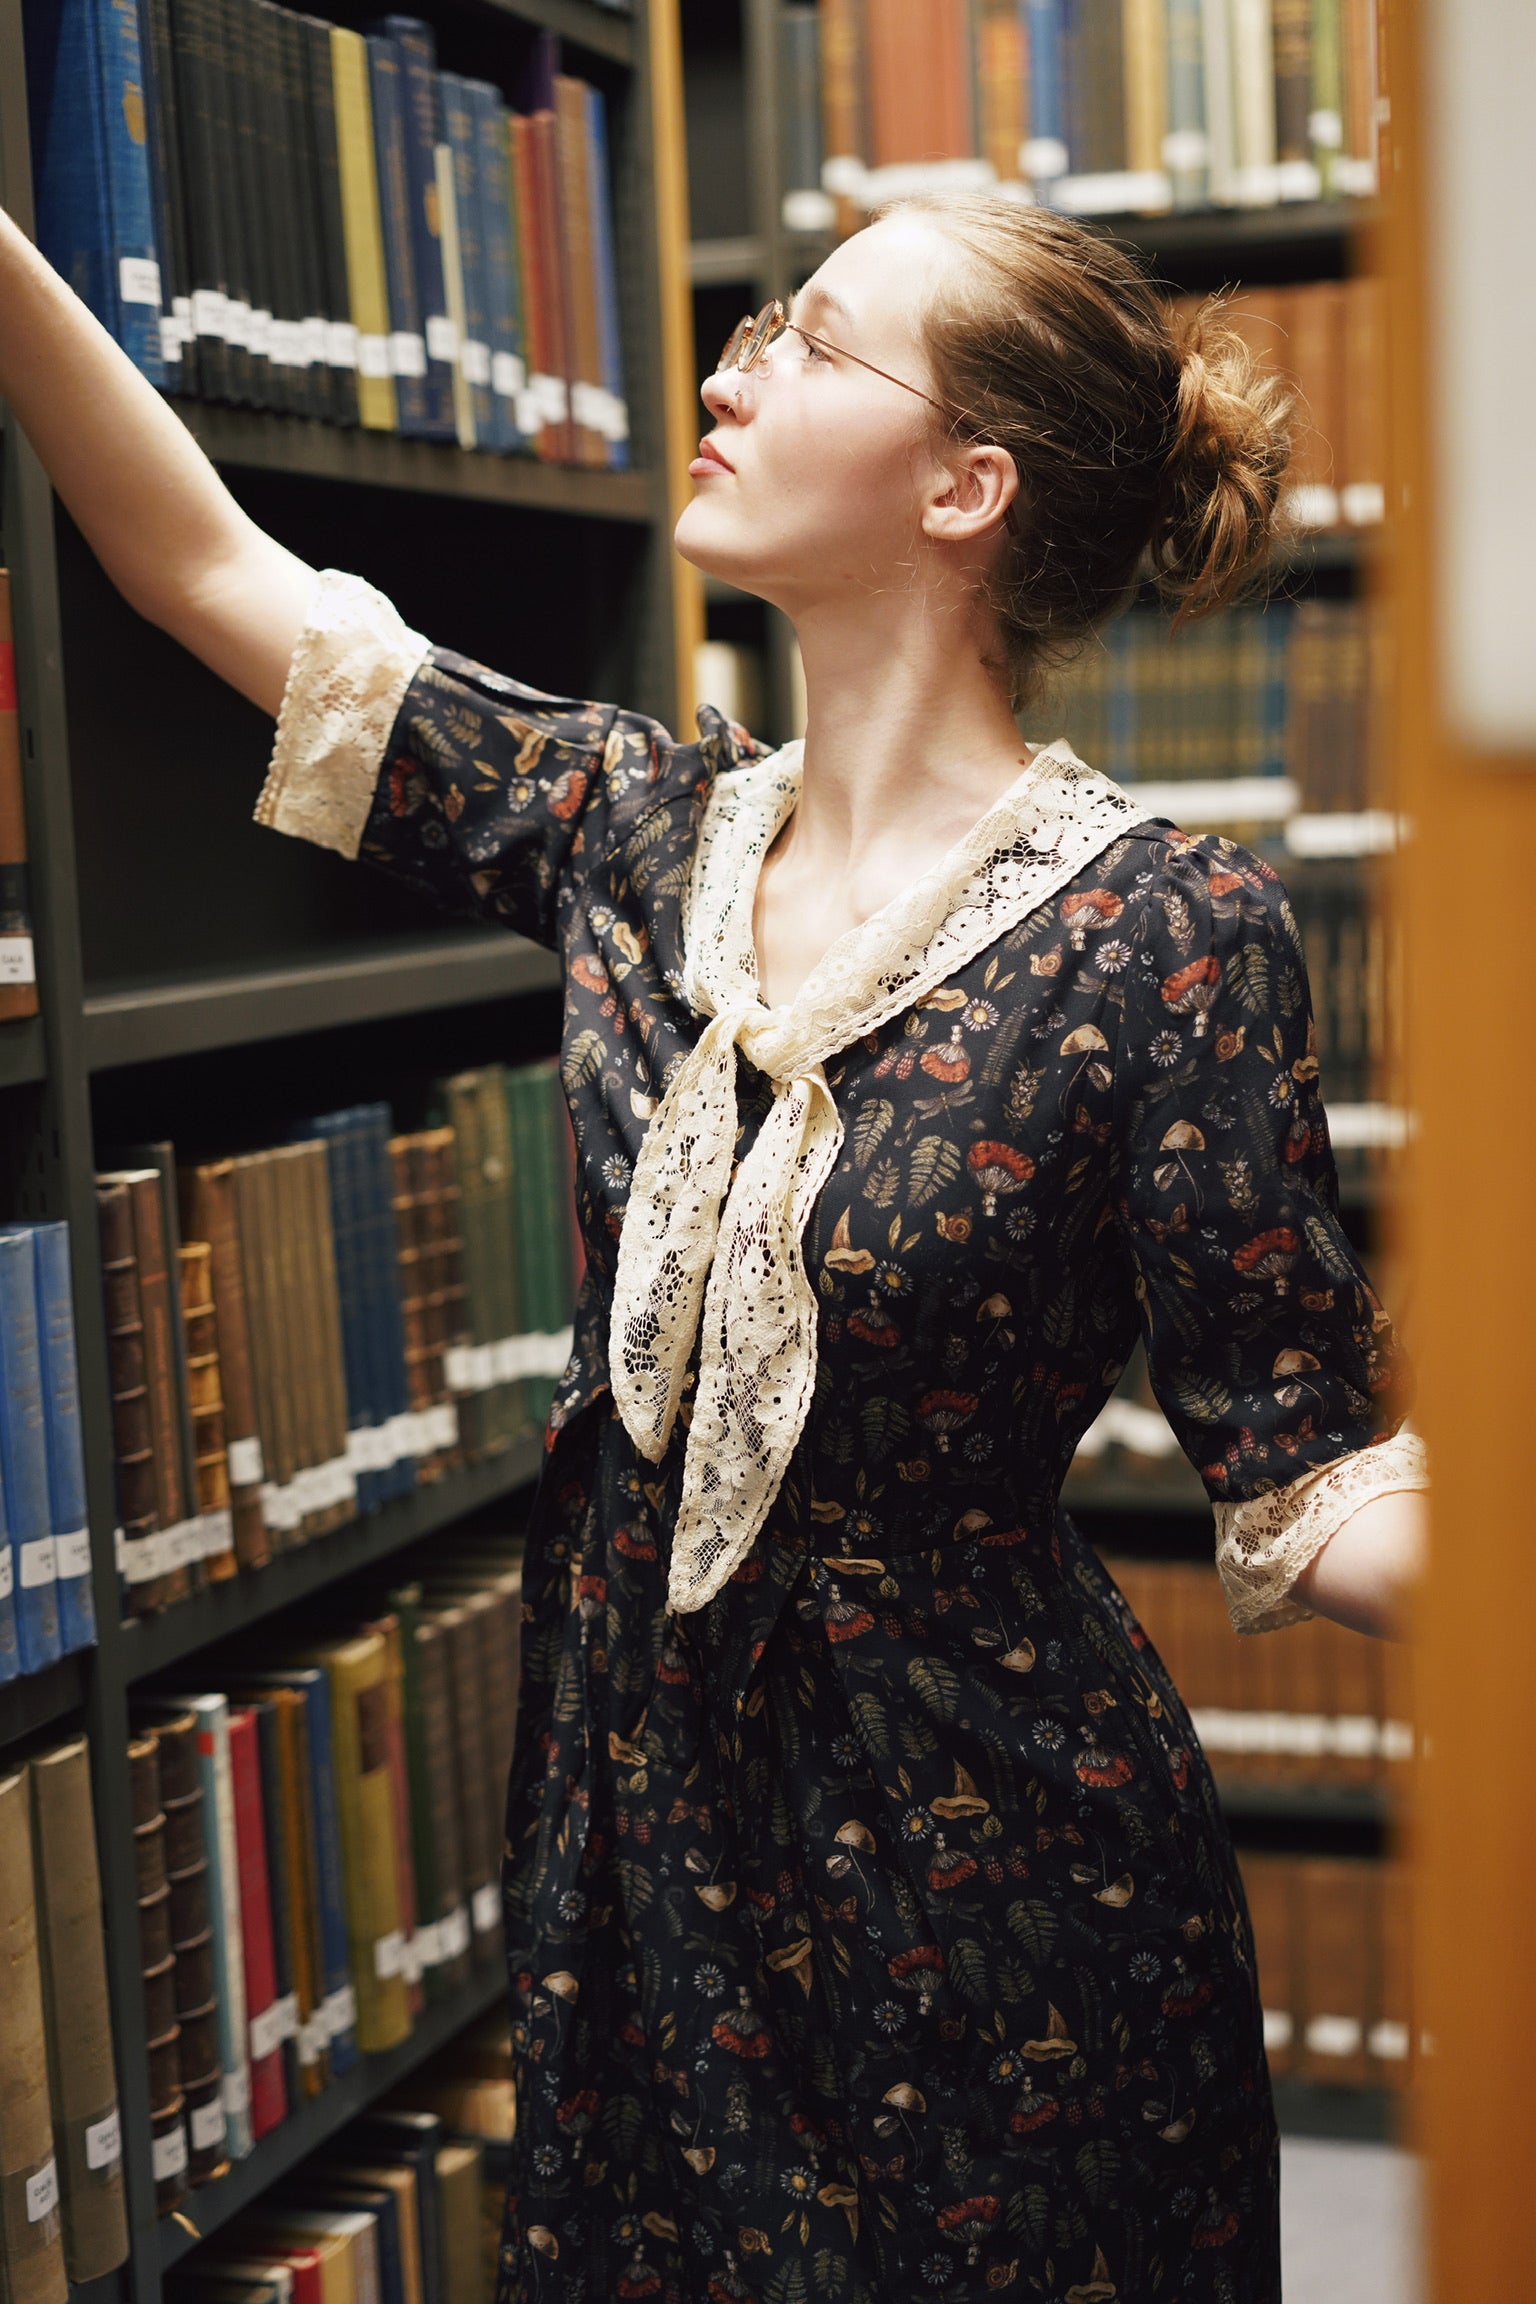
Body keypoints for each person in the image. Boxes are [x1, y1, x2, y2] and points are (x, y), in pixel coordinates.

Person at [1, 190, 1427, 2300]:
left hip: (1003, 1896)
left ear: (967, 486)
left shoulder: (1167, 934)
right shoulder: (632, 828)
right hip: (636, 1849)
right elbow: (210, 568)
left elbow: (1309, 1480)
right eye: (758, 319)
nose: (729, 370)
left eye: (815, 344)